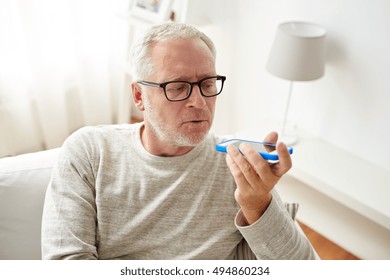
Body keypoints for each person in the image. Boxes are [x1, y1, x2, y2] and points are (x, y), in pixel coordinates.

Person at [41, 22, 317, 260]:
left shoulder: (236, 167)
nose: (199, 102)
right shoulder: (89, 152)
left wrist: (258, 205)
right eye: (178, 87)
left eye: (208, 84)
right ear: (139, 97)